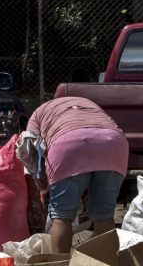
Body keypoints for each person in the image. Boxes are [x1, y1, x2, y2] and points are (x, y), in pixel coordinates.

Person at [20, 96, 128, 253]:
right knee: (104, 216)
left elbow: (30, 150)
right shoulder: (89, 103)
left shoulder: (38, 114)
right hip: (113, 143)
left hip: (68, 145)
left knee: (62, 216)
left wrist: (42, 184)